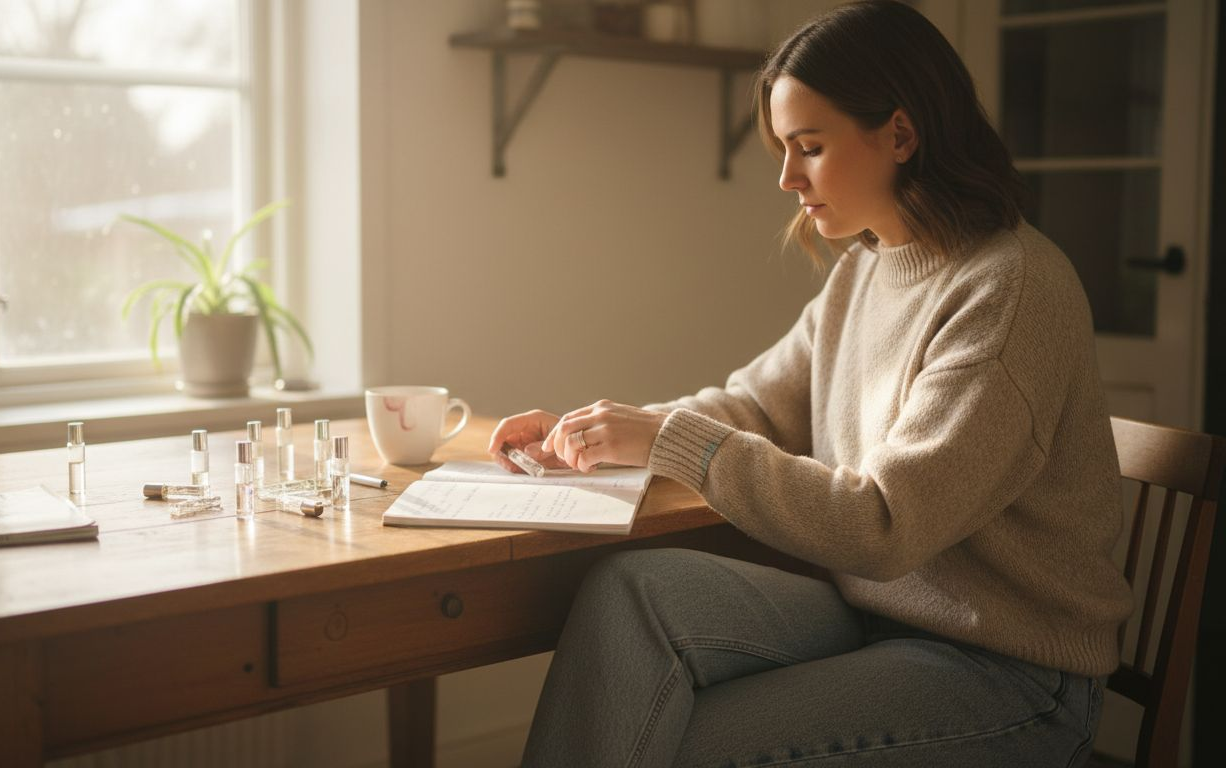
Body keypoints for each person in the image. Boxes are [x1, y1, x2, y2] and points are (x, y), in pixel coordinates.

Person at [486, 1, 1134, 766]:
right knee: (632, 593)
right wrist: (597, 430)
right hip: (878, 614)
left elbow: (885, 525)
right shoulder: (868, 267)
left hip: (1007, 672)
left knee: (673, 740)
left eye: (810, 147)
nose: (788, 177)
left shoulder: (1009, 292)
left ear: (900, 133)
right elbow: (758, 405)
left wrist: (674, 442)